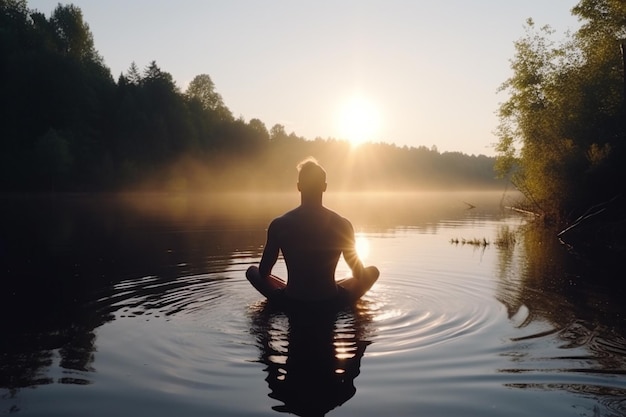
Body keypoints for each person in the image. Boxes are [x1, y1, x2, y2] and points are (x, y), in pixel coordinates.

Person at [246, 157, 379, 307]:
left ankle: (290, 291)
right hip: (331, 300)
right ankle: (330, 288)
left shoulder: (280, 224)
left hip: (292, 300)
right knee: (372, 272)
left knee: (252, 271)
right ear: (324, 187)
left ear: (299, 186)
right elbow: (358, 274)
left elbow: (264, 273)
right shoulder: (342, 224)